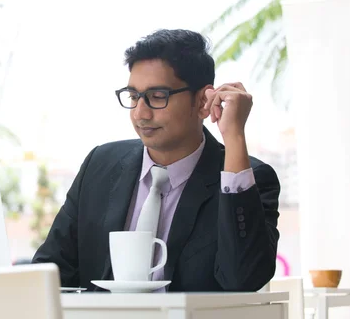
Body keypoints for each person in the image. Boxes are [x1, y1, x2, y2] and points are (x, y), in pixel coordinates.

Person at [32, 29, 280, 292]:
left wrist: (234, 137)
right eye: (133, 96)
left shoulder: (246, 179)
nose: (140, 113)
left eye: (157, 97)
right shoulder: (99, 166)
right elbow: (50, 271)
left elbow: (244, 279)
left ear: (202, 102)